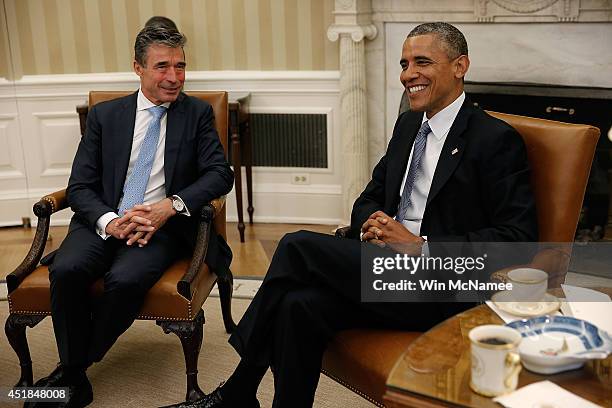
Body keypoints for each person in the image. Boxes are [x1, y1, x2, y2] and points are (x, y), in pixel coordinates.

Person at [171, 22, 538, 408]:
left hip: (441, 285)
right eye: (403, 63)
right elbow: (369, 196)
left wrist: (419, 246)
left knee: (296, 246)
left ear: (460, 66)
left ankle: (239, 389)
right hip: (384, 268)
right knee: (298, 305)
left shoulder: (494, 139)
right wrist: (377, 224)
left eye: (422, 62)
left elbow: (518, 240)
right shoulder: (410, 124)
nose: (407, 74)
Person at [28, 25, 234, 408]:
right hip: (105, 220)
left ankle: (72, 371)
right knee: (68, 270)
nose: (174, 77)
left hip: (160, 228)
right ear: (137, 68)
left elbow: (221, 174)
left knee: (126, 278)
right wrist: (109, 220)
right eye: (162, 67)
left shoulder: (198, 114)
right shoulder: (106, 116)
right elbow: (79, 186)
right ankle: (74, 374)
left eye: (180, 66)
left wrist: (167, 207)